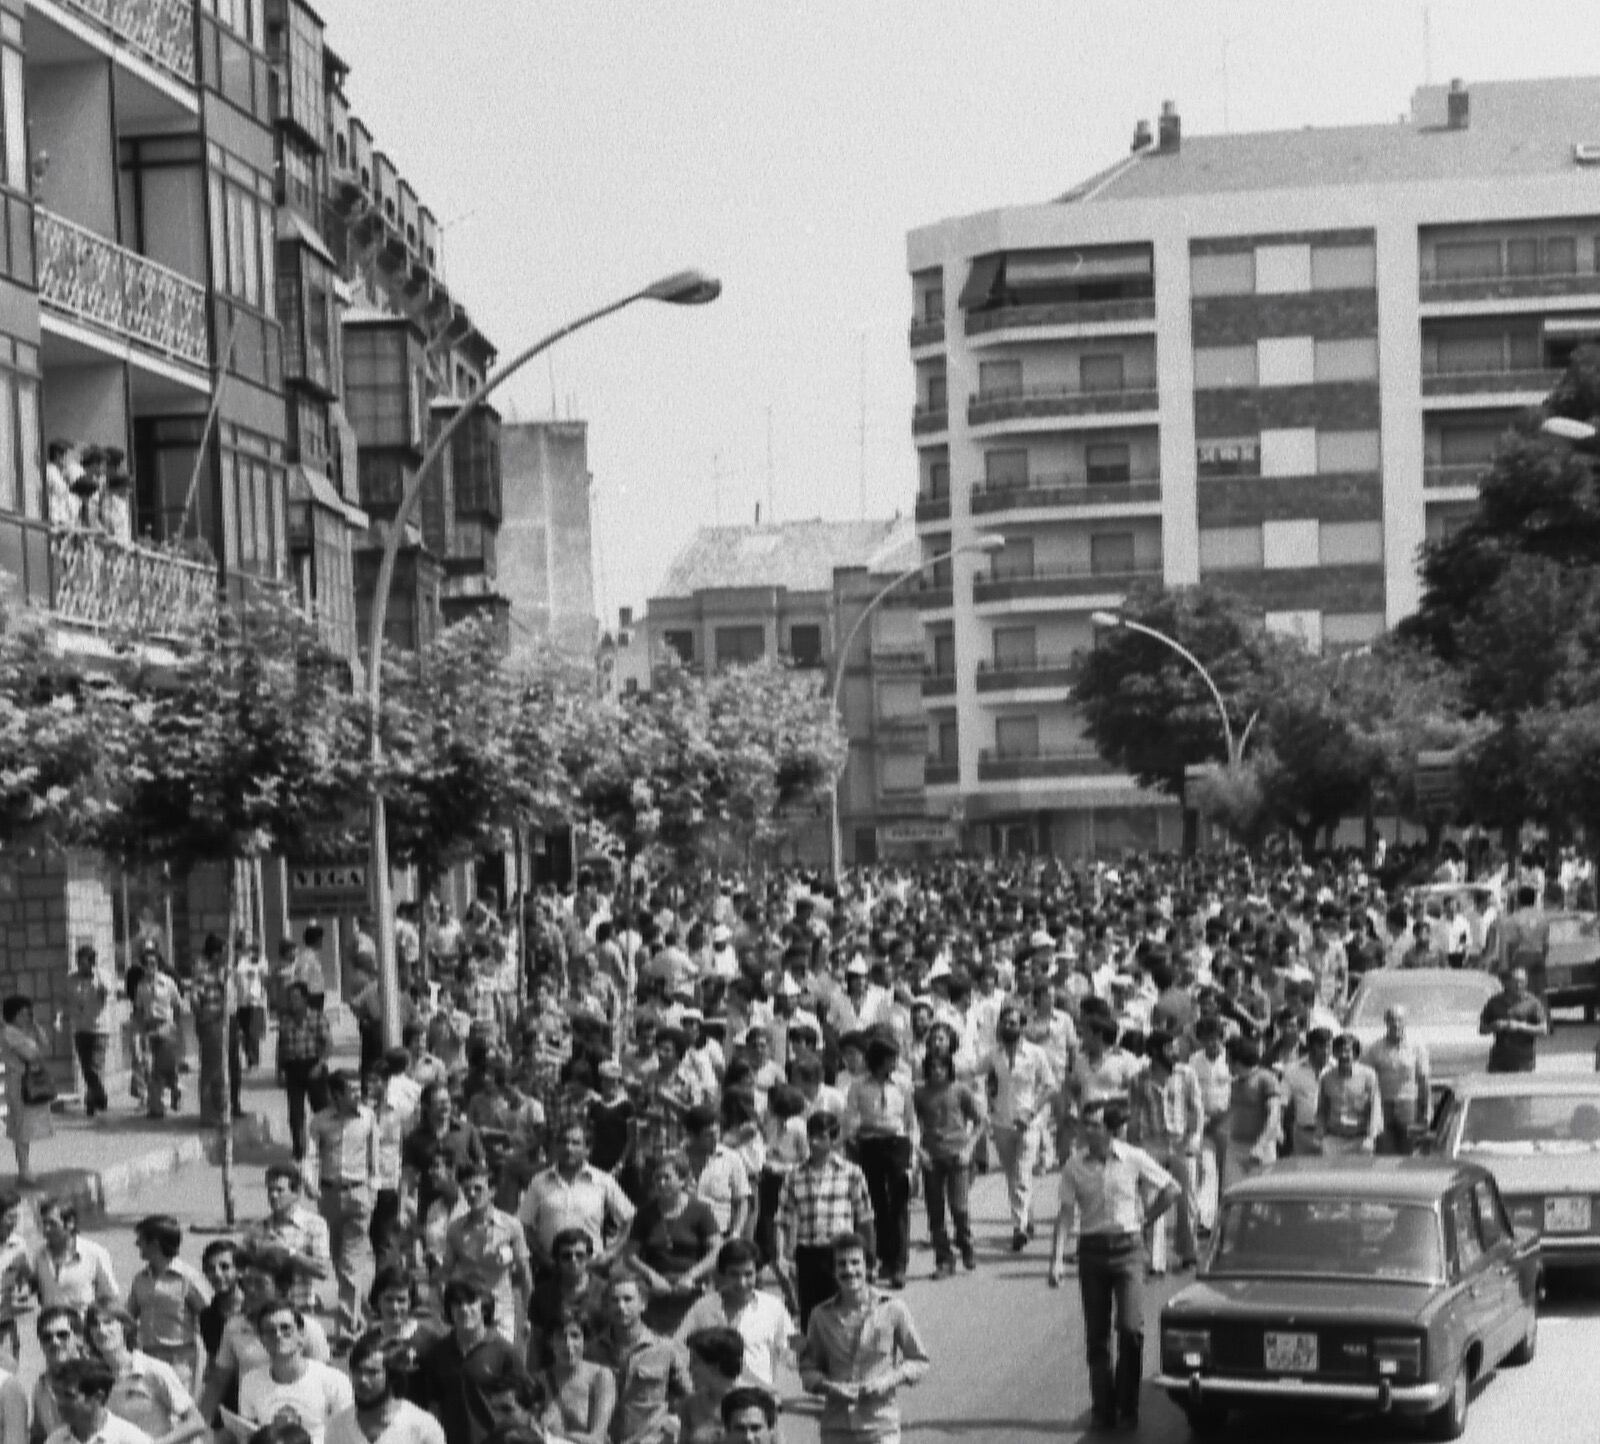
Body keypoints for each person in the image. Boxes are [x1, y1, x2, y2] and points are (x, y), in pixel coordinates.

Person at [1048, 1098, 1178, 1430]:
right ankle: (1103, 1407)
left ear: (1109, 1129)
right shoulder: (1074, 1165)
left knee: (1131, 1329)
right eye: (1084, 1124)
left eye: (1093, 1124)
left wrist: (1146, 1220)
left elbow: (1171, 1189)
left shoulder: (1132, 1158)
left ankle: (1128, 1403)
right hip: (1091, 1252)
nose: (1086, 1130)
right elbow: (1064, 1213)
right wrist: (1057, 1260)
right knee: (1098, 1335)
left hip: (1128, 1250)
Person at [798, 1231, 929, 1444]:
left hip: (880, 1425)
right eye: (841, 1264)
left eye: (855, 1262)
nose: (849, 1270)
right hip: (836, 1427)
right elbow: (808, 1368)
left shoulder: (893, 1309)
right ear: (833, 1270)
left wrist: (888, 1380)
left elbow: (919, 1361)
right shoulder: (820, 1316)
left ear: (868, 1267)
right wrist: (830, 1387)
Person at [775, 1111, 875, 1331]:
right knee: (811, 1316)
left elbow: (865, 1217)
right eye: (811, 1135)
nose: (813, 1141)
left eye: (821, 1136)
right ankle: (813, 1361)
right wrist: (782, 1256)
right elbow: (782, 1219)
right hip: (808, 1255)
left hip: (840, 1253)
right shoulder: (794, 1176)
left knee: (845, 1310)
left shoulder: (851, 1173)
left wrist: (870, 1257)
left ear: (834, 1139)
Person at [304, 1072, 379, 1344]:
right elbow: (310, 1155)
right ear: (336, 1095)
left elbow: (375, 1157)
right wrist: (309, 1182)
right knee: (337, 1255)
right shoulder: (320, 1121)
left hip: (358, 1194)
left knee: (350, 1258)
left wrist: (373, 1189)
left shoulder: (369, 1118)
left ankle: (348, 1328)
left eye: (360, 1089)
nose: (358, 1094)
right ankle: (358, 1306)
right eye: (351, 1090)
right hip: (329, 1194)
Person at [412, 1280, 529, 1444]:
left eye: (471, 1302)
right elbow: (435, 1404)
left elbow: (523, 1405)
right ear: (449, 1310)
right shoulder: (438, 1353)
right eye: (457, 1304)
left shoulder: (504, 1351)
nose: (464, 1309)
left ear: (484, 1307)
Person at [981, 1004, 1056, 1253]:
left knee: (1023, 1173)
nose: (1008, 1027)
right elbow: (972, 1070)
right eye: (1005, 1023)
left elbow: (1050, 1086)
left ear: (1022, 1026)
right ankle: (1027, 1217)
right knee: (1012, 1175)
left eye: (1013, 1023)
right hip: (1002, 1122)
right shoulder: (994, 1054)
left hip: (1028, 1123)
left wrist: (1032, 1111)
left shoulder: (1035, 1054)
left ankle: (1019, 1227)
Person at [620, 1152, 721, 1335]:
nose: (661, 1183)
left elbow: (716, 1250)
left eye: (667, 1177)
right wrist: (651, 1276)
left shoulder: (700, 1210)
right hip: (656, 1293)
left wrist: (692, 1275)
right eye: (657, 1178)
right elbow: (630, 1255)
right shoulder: (644, 1214)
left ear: (682, 1180)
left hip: (693, 1291)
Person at [844, 1035, 916, 1291]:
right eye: (890, 1058)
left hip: (896, 1144)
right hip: (870, 1144)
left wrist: (913, 1154)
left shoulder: (903, 1084)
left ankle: (899, 1265)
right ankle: (881, 1258)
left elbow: (910, 1120)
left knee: (899, 1204)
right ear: (877, 1060)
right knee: (875, 1204)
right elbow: (851, 1118)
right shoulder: (859, 1086)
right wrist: (853, 1142)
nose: (895, 1063)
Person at [516, 1120, 635, 1275]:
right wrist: (542, 1255)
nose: (568, 1148)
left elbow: (630, 1219)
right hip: (551, 1269)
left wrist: (610, 1253)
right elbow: (524, 1224)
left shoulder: (603, 1181)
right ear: (556, 1147)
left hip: (592, 1269)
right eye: (564, 1142)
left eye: (575, 1143)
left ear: (587, 1149)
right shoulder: (539, 1182)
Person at [674, 1238, 794, 1390]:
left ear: (757, 1273)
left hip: (757, 1398)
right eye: (734, 1275)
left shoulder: (773, 1307)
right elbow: (677, 1348)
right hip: (712, 1401)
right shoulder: (704, 1307)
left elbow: (789, 1350)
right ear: (723, 1275)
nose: (742, 1282)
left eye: (748, 1274)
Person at [1129, 1030, 1203, 1272]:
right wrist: (1131, 1152)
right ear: (1156, 1051)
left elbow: (1196, 1109)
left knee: (1187, 1199)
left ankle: (1188, 1252)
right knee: (1152, 1199)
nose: (1175, 1052)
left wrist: (1194, 1139)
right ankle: (1155, 1259)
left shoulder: (1186, 1074)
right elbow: (1133, 1116)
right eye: (1170, 1048)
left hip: (1180, 1142)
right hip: (1151, 1142)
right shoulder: (1140, 1078)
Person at [83, 1304, 207, 1444]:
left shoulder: (152, 1369)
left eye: (108, 1322)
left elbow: (196, 1422)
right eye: (95, 1325)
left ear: (124, 1326)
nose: (102, 1330)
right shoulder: (91, 1379)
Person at [588, 1274, 689, 1444]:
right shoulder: (591, 1351)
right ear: (605, 1307)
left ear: (643, 1304)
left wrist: (670, 1425)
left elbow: (688, 1397)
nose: (621, 1307)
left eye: (628, 1299)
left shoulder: (666, 1349)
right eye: (614, 1300)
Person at [440, 1160, 531, 1349]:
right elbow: (445, 1273)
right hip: (469, 1311)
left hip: (501, 1311)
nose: (472, 1194)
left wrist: (528, 1315)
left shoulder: (511, 1226)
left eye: (478, 1189)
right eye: (467, 1190)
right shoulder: (455, 1229)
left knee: (501, 1362)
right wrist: (445, 1306)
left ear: (492, 1191)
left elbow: (525, 1274)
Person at [236, 1298, 353, 1444]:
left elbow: (347, 1436)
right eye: (270, 1331)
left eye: (285, 1328)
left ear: (301, 1334)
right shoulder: (251, 1382)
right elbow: (246, 1436)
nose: (278, 1335)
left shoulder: (334, 1381)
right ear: (261, 1340)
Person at [911, 1049, 982, 1279]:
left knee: (959, 1207)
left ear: (948, 1068)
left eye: (941, 1067)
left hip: (958, 1155)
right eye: (932, 1067)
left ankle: (965, 1242)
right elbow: (910, 1124)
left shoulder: (960, 1090)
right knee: (935, 1211)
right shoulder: (919, 1094)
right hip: (931, 1158)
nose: (936, 1071)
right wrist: (919, 1152)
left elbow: (981, 1121)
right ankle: (944, 1259)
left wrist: (969, 1149)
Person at [126, 1216, 207, 1393]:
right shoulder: (140, 1279)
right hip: (149, 1359)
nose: (137, 1244)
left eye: (140, 1239)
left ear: (154, 1243)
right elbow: (128, 1317)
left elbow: (208, 1317)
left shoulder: (188, 1278)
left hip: (180, 1362)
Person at [325, 1330, 445, 1444]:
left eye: (372, 1372)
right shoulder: (338, 1427)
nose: (362, 1380)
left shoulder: (422, 1427)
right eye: (357, 1371)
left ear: (392, 1376)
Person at [246, 1166, 332, 1317]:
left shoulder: (314, 1224)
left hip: (301, 1307)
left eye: (280, 1190)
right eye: (270, 1190)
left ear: (296, 1192)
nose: (273, 1195)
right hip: (267, 1311)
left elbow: (322, 1270)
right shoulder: (259, 1228)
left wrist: (288, 1252)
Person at [532, 1313, 614, 1444]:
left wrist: (561, 1436)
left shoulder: (600, 1376)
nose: (568, 1344)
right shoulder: (540, 1380)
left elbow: (597, 1437)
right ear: (550, 1342)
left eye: (575, 1336)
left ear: (585, 1341)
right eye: (560, 1337)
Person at [30, 1197, 119, 1314]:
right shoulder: (39, 1256)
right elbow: (38, 1293)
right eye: (44, 1223)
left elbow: (109, 1296)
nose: (46, 1229)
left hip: (84, 1327)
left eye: (52, 1224)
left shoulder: (94, 1253)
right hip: (52, 1328)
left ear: (70, 1223)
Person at [1365, 1006, 1432, 1155]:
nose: (1396, 1024)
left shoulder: (1416, 1047)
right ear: (1386, 1022)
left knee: (1409, 1150)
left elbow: (1424, 1080)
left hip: (1408, 1105)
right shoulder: (1375, 1049)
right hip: (1383, 1106)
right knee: (1383, 1151)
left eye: (1399, 1020)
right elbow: (1367, 1080)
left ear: (1405, 1022)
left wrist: (1426, 1109)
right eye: (1392, 1020)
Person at [277, 984, 333, 1160]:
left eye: (296, 998)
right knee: (295, 1113)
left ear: (304, 999)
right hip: (293, 1068)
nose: (292, 1002)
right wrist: (280, 1070)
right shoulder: (285, 1020)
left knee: (321, 1110)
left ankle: (326, 1146)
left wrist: (320, 1064)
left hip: (313, 1066)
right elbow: (281, 1046)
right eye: (290, 998)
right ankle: (299, 1149)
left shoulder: (317, 1018)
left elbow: (328, 1044)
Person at [2, 995, 55, 1182]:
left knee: (26, 1127)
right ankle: (23, 1170)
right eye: (23, 1014)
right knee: (21, 1126)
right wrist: (35, 1048)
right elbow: (31, 1055)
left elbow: (46, 1045)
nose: (26, 1017)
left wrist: (36, 1026)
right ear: (14, 1015)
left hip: (27, 1082)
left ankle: (25, 1168)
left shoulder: (25, 1032)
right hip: (18, 1084)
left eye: (28, 1013)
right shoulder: (10, 1033)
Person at [44, 1357, 150, 1444]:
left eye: (69, 1396)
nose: (59, 1403)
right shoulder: (55, 1441)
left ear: (98, 1398)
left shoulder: (132, 1440)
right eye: (57, 1395)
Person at [1315, 1033, 1382, 1155]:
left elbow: (1375, 1106)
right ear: (1334, 1054)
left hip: (1360, 1139)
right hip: (1334, 1138)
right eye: (1339, 1051)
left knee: (1361, 1173)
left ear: (1355, 1054)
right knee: (1330, 1174)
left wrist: (1371, 1136)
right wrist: (1321, 1134)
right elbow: (1322, 1109)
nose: (1343, 1055)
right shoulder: (1326, 1078)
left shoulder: (1368, 1076)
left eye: (1347, 1051)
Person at [68, 945, 114, 1120]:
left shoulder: (103, 976)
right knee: (86, 1068)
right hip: (80, 1028)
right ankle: (96, 1098)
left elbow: (107, 991)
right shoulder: (71, 979)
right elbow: (68, 1000)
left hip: (99, 1029)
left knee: (94, 1068)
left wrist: (97, 973)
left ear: (92, 962)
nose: (80, 966)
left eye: (84, 962)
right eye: (78, 962)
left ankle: (95, 1098)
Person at [675, 1328, 744, 1444]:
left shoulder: (754, 1404)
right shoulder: (690, 1405)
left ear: (715, 1366)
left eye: (695, 1361)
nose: (689, 1368)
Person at [135, 960, 183, 1121]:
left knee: (166, 1066)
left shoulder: (168, 983)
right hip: (149, 1027)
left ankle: (175, 1091)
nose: (150, 967)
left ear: (158, 966)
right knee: (150, 1068)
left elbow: (177, 1004)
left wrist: (174, 1024)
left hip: (166, 1026)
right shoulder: (141, 986)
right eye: (146, 964)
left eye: (152, 964)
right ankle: (156, 1107)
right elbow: (139, 1010)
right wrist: (140, 1030)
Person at [1480, 967, 1548, 1073]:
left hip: (1523, 1061)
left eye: (1522, 982)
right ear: (1507, 983)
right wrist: (1495, 1026)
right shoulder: (1494, 1002)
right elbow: (1482, 1029)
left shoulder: (1533, 1002)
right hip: (1498, 1060)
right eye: (1515, 982)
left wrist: (1520, 1026)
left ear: (1526, 983)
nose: (1518, 985)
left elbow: (1543, 1030)